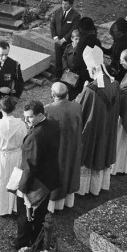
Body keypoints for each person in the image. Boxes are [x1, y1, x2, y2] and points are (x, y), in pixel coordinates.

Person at [13, 100, 61, 249]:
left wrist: (22, 189)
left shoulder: (34, 137)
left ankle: (22, 243)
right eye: (24, 116)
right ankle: (37, 241)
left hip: (35, 182)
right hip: (49, 177)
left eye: (30, 117)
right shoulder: (53, 124)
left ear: (40, 115)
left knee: (24, 214)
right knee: (41, 213)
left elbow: (29, 167)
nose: (26, 120)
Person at [77, 46, 119, 196]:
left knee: (89, 153)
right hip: (108, 127)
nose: (87, 70)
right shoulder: (115, 83)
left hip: (93, 129)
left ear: (94, 69)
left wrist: (82, 92)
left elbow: (79, 110)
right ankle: (98, 186)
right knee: (102, 151)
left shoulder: (91, 89)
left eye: (88, 68)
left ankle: (84, 188)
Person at [0, 96, 27, 217]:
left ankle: (1, 207)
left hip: (1, 157)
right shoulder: (21, 125)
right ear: (14, 108)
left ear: (0, 108)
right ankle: (14, 207)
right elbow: (25, 142)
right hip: (16, 155)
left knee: (1, 181)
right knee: (15, 180)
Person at [45, 83, 83, 212]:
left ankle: (52, 205)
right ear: (67, 94)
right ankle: (68, 202)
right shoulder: (77, 107)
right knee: (70, 170)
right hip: (72, 146)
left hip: (56, 149)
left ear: (52, 94)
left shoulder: (48, 109)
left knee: (56, 173)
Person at [50, 0, 80, 79]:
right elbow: (52, 24)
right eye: (62, 3)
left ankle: (67, 78)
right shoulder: (57, 12)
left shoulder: (76, 15)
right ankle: (57, 76)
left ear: (71, 5)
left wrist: (63, 39)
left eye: (66, 4)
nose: (63, 6)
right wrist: (55, 37)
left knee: (68, 60)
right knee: (58, 59)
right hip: (57, 41)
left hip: (68, 42)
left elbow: (73, 29)